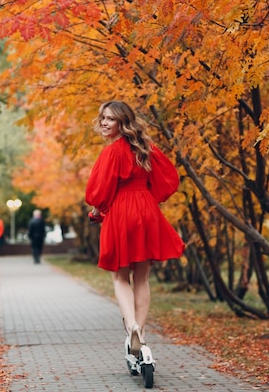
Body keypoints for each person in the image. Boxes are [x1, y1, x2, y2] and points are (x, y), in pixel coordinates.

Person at [85, 100, 185, 360]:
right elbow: (168, 179)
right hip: (147, 210)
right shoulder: (146, 148)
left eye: (110, 119)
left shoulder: (112, 152)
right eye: (103, 118)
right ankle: (142, 334)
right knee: (142, 277)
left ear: (122, 122)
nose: (105, 123)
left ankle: (132, 327)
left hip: (121, 213)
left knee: (120, 277)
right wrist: (146, 198)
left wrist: (97, 211)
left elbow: (100, 192)